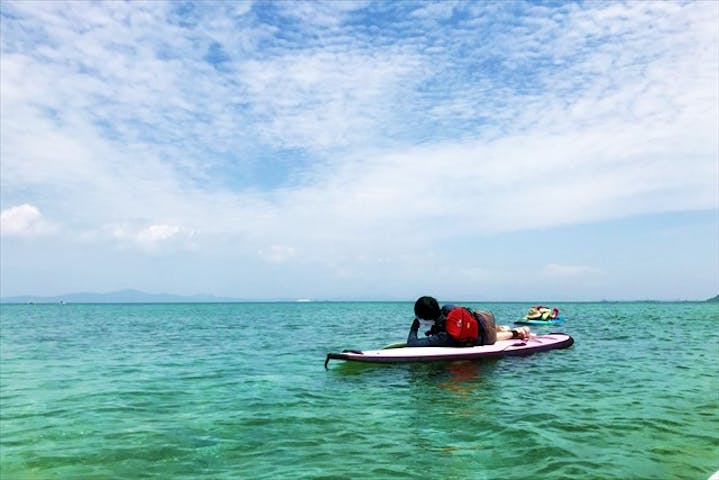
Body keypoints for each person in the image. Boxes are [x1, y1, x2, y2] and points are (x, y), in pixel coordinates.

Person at [407, 296, 531, 347]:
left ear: (424, 318)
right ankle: (501, 327)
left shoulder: (443, 337)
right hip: (484, 316)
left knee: (490, 337)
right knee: (479, 327)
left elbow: (412, 343)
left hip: (487, 335)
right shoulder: (447, 309)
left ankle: (517, 333)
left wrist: (414, 327)